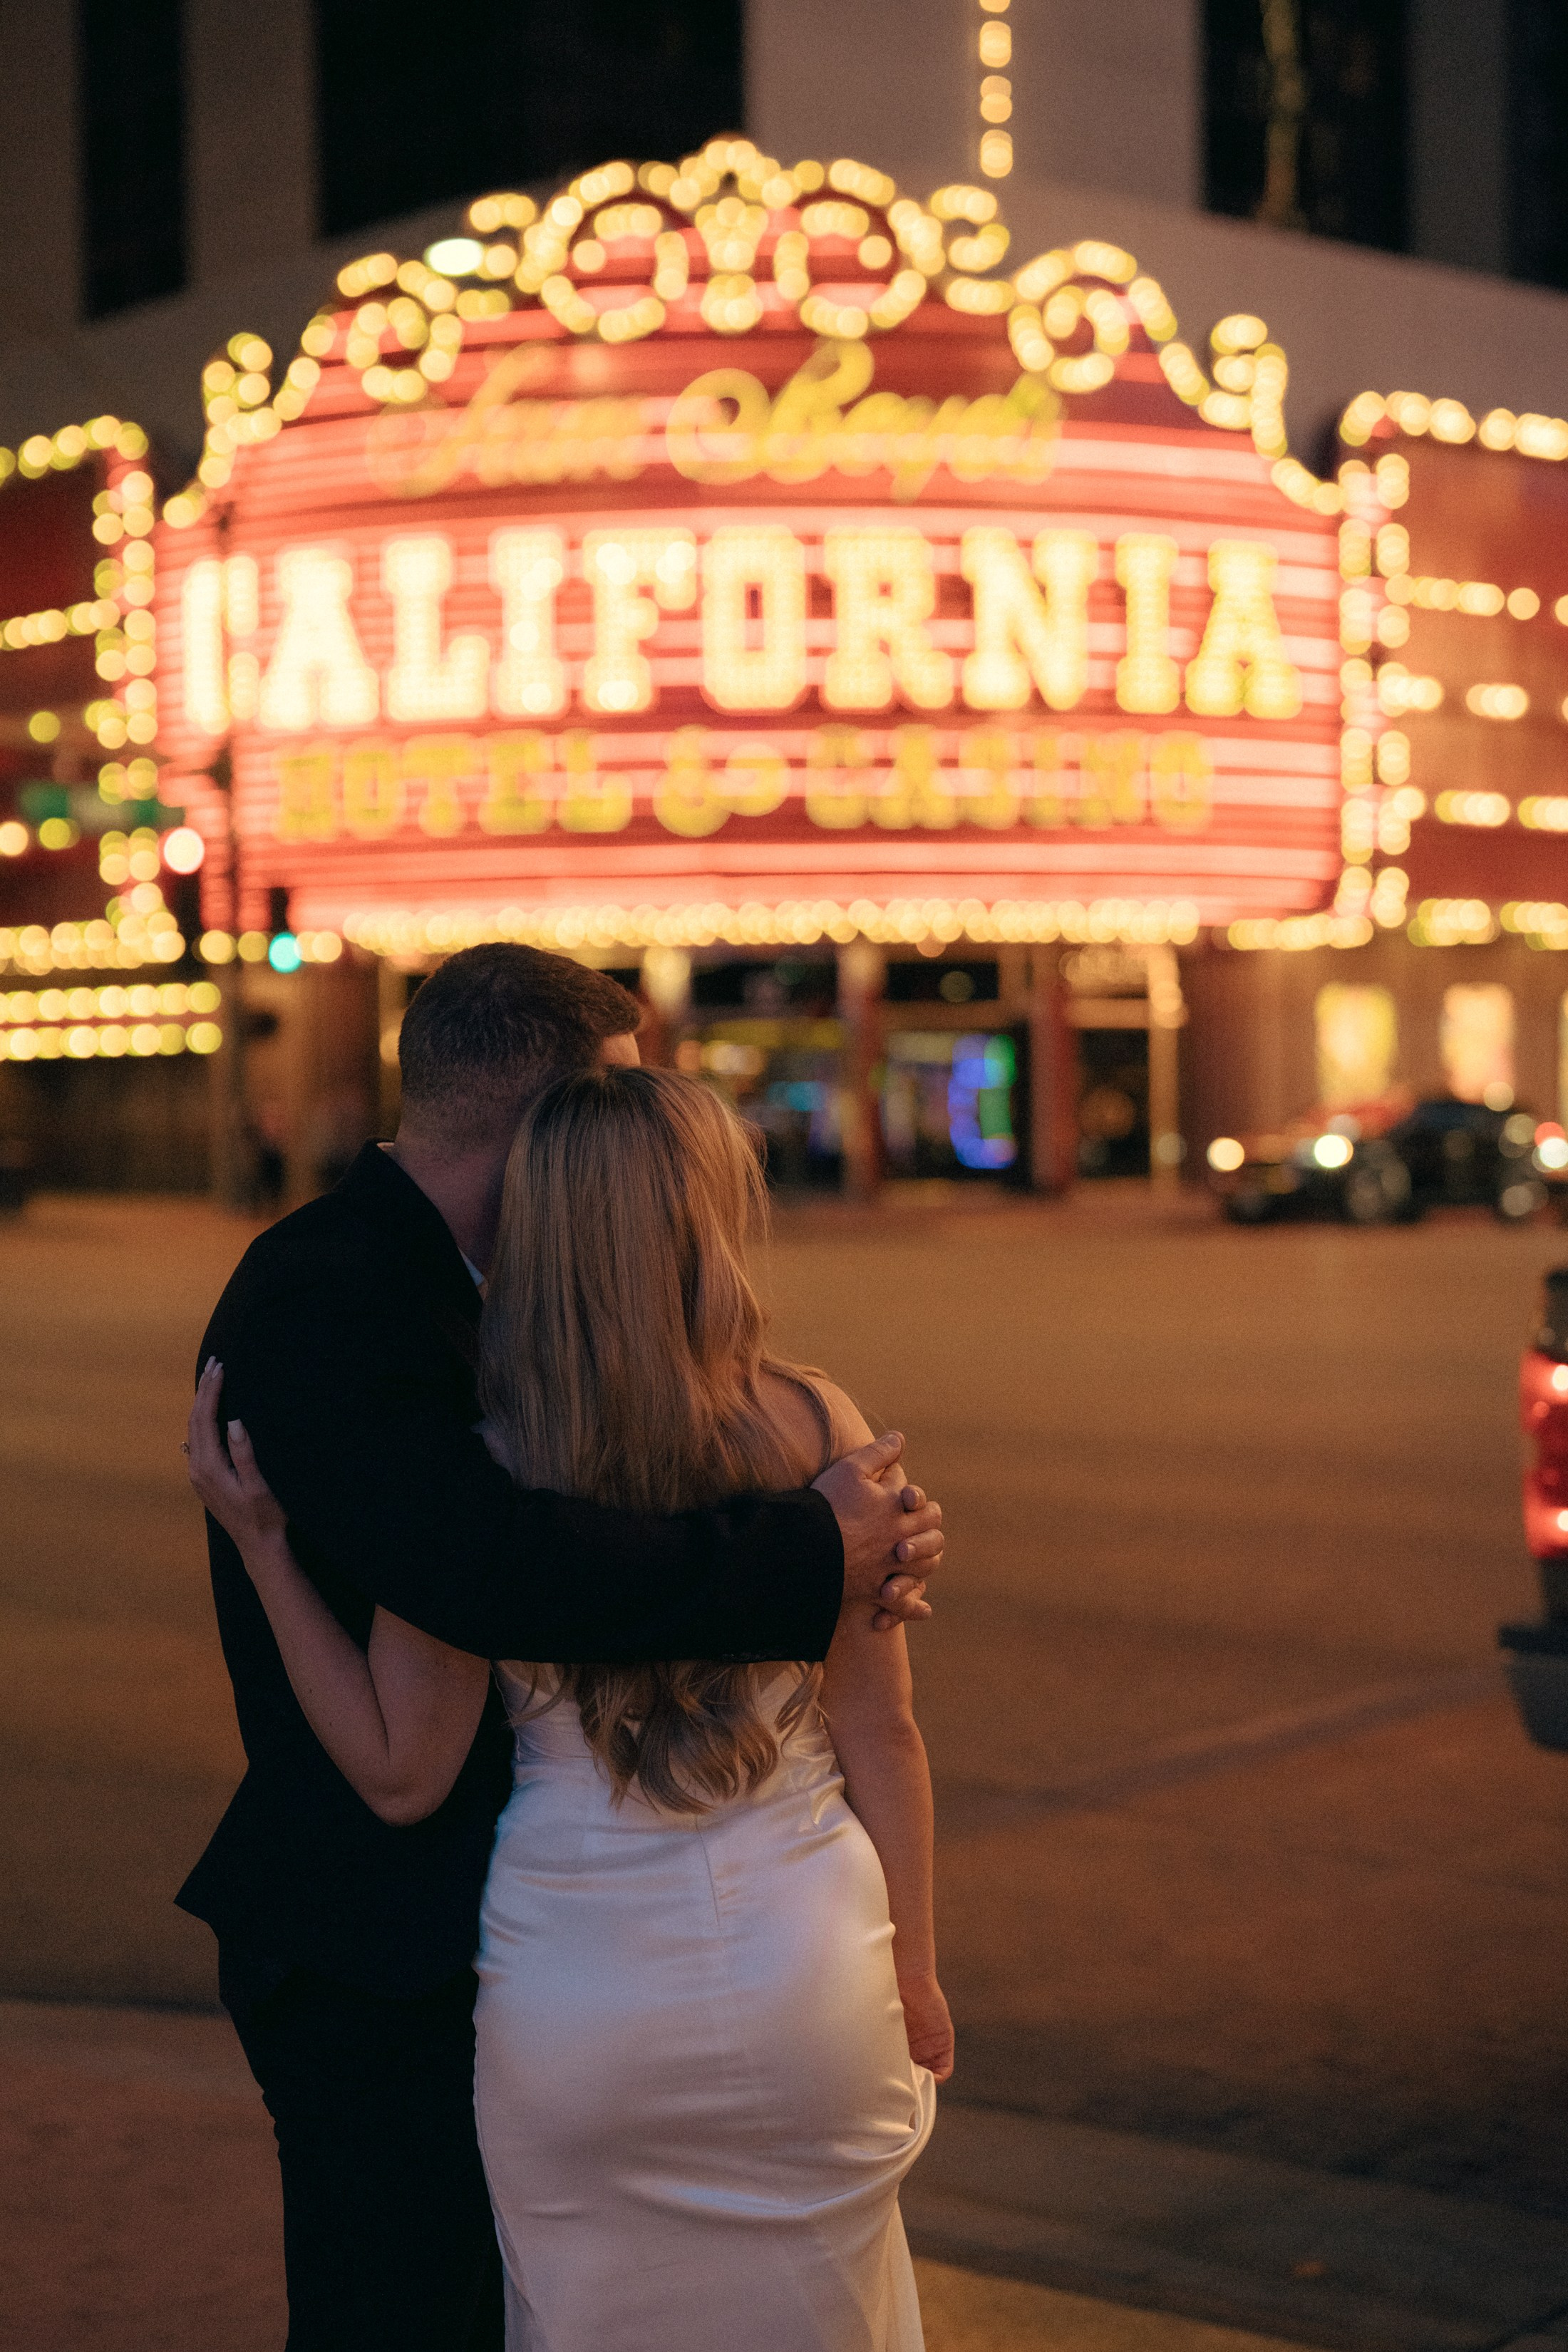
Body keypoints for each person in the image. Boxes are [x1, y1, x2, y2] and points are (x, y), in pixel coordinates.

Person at [179, 944, 944, 2352]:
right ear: (564, 1121)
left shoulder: (507, 1357)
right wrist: (811, 1553)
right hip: (377, 1957)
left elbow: (477, 1610)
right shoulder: (335, 1300)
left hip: (546, 1964)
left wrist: (839, 1548)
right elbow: (497, 1568)